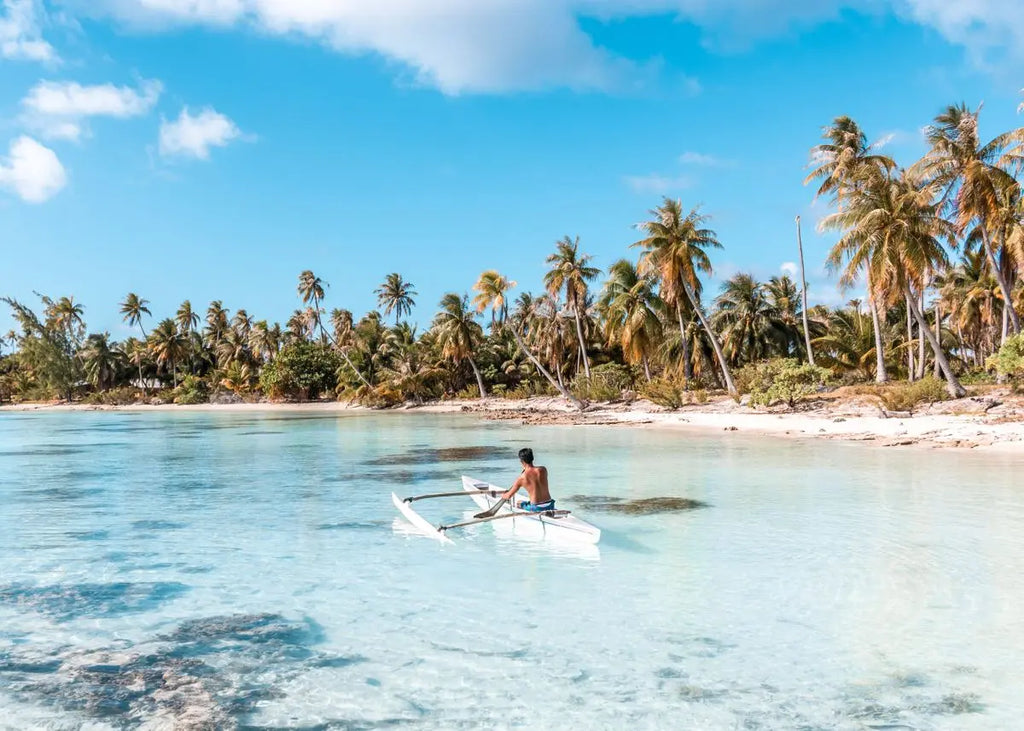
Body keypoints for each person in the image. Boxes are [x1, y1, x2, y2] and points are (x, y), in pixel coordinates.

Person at [502, 447, 555, 512]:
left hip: (536, 508)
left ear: (522, 461)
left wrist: (504, 495)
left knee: (519, 503)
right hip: (550, 505)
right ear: (532, 458)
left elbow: (508, 496)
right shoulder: (543, 470)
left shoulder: (521, 478)